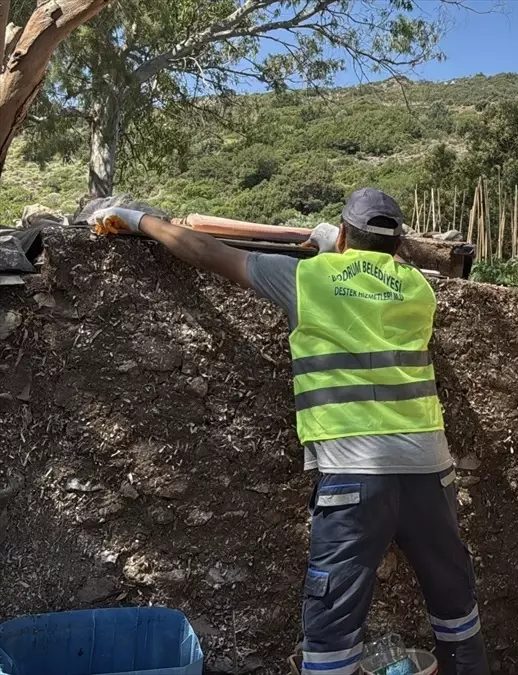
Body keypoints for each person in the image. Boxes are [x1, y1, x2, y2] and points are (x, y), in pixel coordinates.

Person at [89, 189, 489, 675]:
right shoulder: (419, 288)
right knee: (455, 607)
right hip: (430, 470)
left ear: (343, 235)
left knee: (333, 627)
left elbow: (207, 250)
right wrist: (341, 245)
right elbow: (387, 266)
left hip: (353, 476)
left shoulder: (306, 278)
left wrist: (137, 219)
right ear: (396, 243)